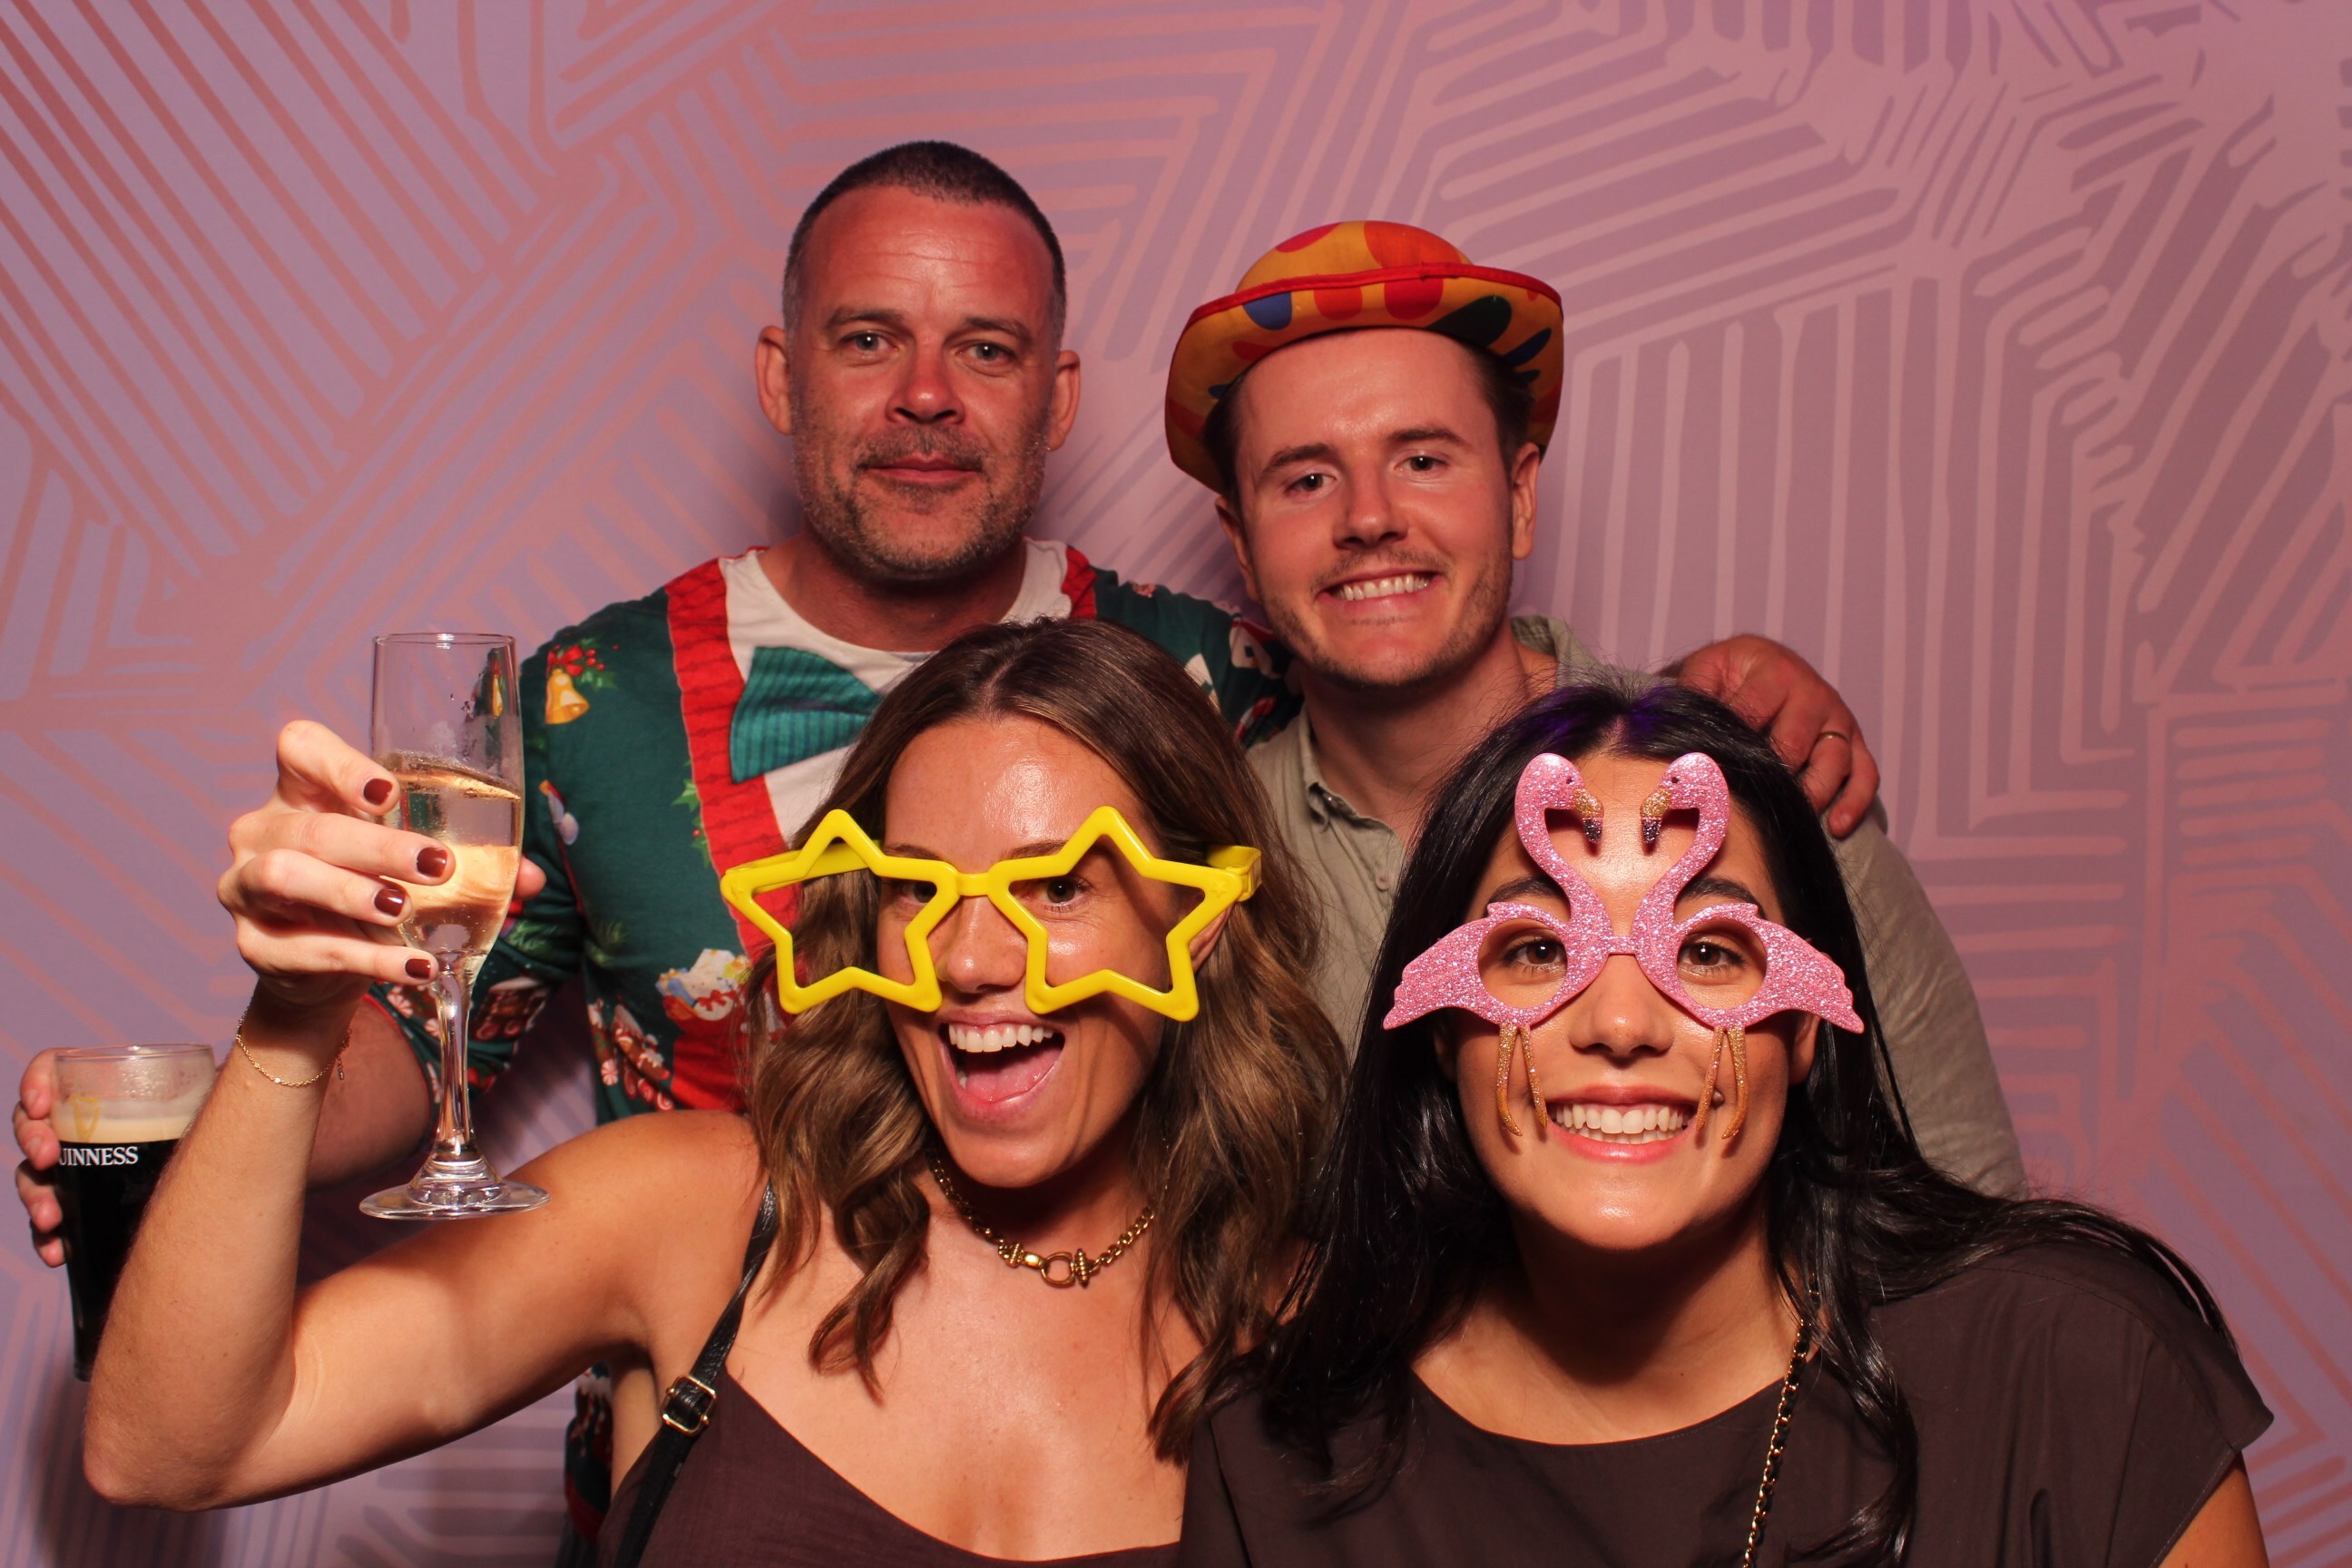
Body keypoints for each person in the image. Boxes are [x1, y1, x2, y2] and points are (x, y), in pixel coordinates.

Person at [15, 142, 1868, 1543]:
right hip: (714, 1394)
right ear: (784, 375)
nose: (924, 395)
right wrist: (243, 1075)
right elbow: (402, 1052)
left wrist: (1702, 716)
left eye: (983, 348)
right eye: (868, 340)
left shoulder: (1220, 671)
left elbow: (1439, 694)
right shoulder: (591, 733)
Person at [84, 618, 1343, 1568]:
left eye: (1059, 886)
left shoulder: (1322, 1330)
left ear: (1202, 926)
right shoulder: (702, 1216)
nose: (965, 960)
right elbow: (167, 1446)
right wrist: (294, 1013)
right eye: (915, 888)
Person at [1181, 681, 2269, 1566]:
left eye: (1706, 952)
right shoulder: (1281, 1457)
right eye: (1537, 951)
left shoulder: (2075, 1372)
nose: (1619, 1024)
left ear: (1806, 1028)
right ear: (1438, 1029)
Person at [1164, 222, 2024, 1194]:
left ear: (1520, 496)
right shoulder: (1199, 870)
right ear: (1241, 541)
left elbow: (1975, 1219)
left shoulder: (1749, 786)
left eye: (1424, 460)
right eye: (1307, 479)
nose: (1368, 517)